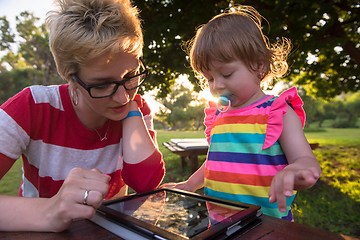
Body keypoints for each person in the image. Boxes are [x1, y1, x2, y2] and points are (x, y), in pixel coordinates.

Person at [0, 0, 165, 232]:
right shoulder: (31, 107)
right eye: (102, 85)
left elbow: (145, 184)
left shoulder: (135, 109)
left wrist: (132, 115)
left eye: (131, 76)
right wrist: (50, 212)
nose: (122, 98)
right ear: (70, 78)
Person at [163, 5, 321, 221]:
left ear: (259, 64)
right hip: (219, 223)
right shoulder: (218, 115)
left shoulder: (277, 112)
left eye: (226, 73)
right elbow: (216, 160)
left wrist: (296, 171)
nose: (217, 85)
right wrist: (190, 184)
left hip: (266, 227)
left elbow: (306, 161)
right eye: (209, 78)